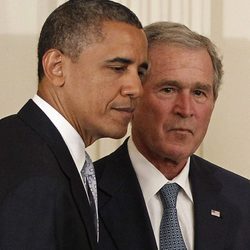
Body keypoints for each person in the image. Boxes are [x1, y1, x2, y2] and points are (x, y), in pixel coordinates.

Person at [0, 1, 148, 249]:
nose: (136, 88)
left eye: (140, 72)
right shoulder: (33, 178)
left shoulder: (24, 145)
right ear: (56, 67)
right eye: (117, 68)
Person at [95, 21, 250, 250]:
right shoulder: (83, 197)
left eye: (199, 93)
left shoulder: (243, 200)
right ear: (132, 95)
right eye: (168, 89)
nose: (185, 109)